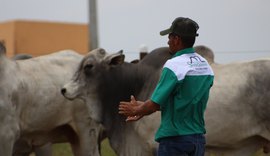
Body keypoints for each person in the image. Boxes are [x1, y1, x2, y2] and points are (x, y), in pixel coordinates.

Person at [118, 17, 214, 156]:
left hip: (175, 140)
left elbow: (154, 104)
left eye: (169, 37)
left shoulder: (174, 65)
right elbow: (185, 100)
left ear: (177, 39)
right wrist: (143, 108)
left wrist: (138, 109)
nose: (167, 41)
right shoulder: (205, 65)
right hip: (198, 140)